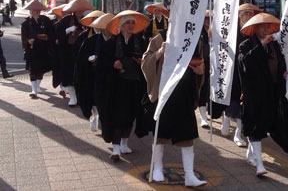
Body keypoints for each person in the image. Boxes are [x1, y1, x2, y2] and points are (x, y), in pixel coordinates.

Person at [141, 30, 207, 187]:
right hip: (164, 92)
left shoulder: (194, 35)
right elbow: (146, 62)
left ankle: (189, 175)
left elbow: (199, 61)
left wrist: (200, 71)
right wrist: (160, 52)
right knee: (160, 133)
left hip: (185, 92)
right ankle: (157, 168)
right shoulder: (160, 37)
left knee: (187, 134)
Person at [238, 13, 288, 176]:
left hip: (271, 94)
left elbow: (278, 64)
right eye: (262, 27)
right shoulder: (245, 45)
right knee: (255, 127)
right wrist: (260, 46)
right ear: (255, 29)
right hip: (254, 95)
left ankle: (251, 154)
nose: (265, 29)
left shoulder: (274, 45)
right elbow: (245, 64)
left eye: (267, 27)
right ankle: (259, 164)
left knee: (265, 125)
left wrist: (283, 74)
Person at [95, 10, 149, 160]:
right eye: (127, 23)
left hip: (134, 85)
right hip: (116, 86)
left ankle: (125, 143)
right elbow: (101, 64)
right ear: (120, 25)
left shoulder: (141, 43)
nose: (131, 26)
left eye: (133, 23)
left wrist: (142, 63)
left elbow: (148, 60)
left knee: (131, 115)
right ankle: (116, 148)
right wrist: (113, 64)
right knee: (117, 116)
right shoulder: (111, 44)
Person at [213, 3, 263, 147]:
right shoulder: (232, 30)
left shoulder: (254, 32)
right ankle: (227, 119)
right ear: (240, 16)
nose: (248, 16)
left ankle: (238, 133)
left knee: (245, 103)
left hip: (250, 71)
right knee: (233, 98)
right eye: (246, 13)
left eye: (250, 14)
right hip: (233, 70)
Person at [75, 13, 114, 131]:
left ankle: (102, 118)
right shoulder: (92, 40)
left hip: (110, 76)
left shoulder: (116, 40)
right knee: (93, 99)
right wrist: (89, 58)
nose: (108, 30)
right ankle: (94, 115)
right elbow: (81, 57)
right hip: (93, 75)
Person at [55, 0, 94, 106]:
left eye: (82, 10)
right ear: (74, 10)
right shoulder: (66, 20)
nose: (80, 11)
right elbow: (58, 34)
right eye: (78, 10)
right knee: (69, 74)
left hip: (82, 50)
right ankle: (72, 97)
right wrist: (68, 30)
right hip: (68, 51)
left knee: (81, 73)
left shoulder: (87, 20)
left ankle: (79, 95)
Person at [21, 0, 53, 98]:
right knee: (33, 69)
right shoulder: (26, 23)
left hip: (43, 49)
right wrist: (28, 41)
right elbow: (23, 37)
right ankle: (34, 90)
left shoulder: (46, 20)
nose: (38, 11)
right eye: (35, 10)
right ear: (31, 11)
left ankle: (38, 86)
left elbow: (51, 32)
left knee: (42, 69)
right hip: (32, 50)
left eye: (39, 10)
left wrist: (48, 37)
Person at [47, 4, 69, 97]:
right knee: (58, 69)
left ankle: (65, 88)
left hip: (67, 49)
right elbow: (51, 35)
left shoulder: (69, 22)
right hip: (57, 50)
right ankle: (62, 88)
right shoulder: (53, 23)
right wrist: (55, 40)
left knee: (66, 69)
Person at [198, 10, 211, 128]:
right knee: (202, 89)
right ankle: (203, 117)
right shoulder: (198, 31)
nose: (208, 20)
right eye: (206, 18)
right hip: (202, 64)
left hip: (214, 65)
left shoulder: (216, 31)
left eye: (210, 18)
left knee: (211, 89)